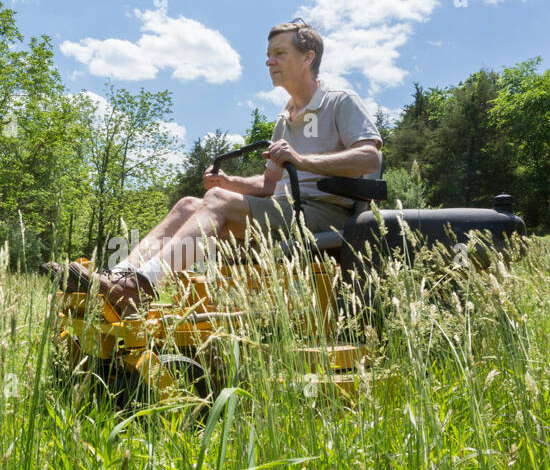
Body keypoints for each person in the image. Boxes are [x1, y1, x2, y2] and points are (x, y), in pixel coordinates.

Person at [49, 19, 382, 315]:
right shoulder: (285, 118)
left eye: (279, 53)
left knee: (218, 202)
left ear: (308, 57)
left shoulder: (340, 101)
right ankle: (120, 278)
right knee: (188, 204)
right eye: (269, 54)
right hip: (282, 211)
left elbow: (369, 157)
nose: (269, 61)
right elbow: (268, 187)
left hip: (323, 216)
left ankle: (143, 285)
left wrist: (303, 160)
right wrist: (227, 181)